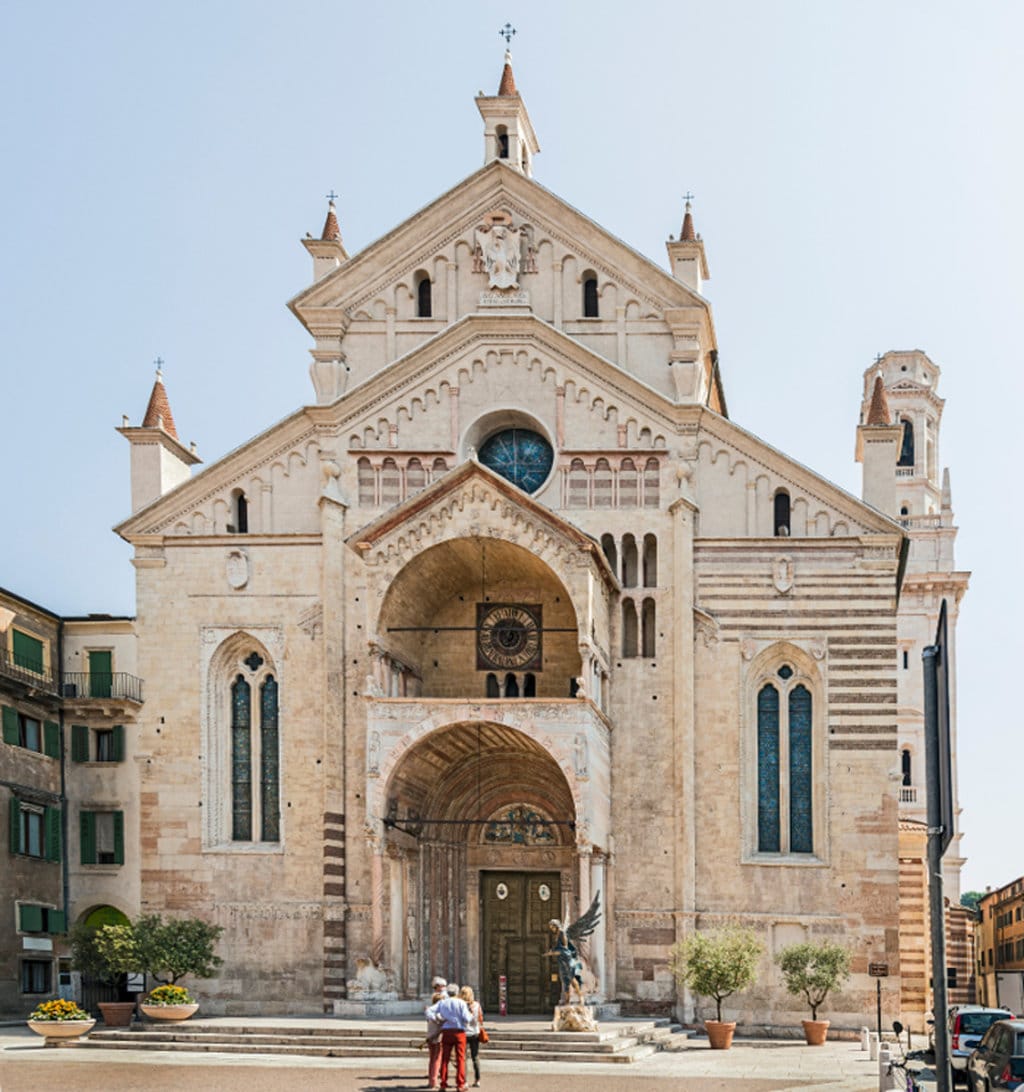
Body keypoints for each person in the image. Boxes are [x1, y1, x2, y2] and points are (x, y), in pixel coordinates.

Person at [426, 981, 472, 1092]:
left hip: (446, 1031)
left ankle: (443, 1083)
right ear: (457, 992)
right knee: (460, 1058)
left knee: (445, 1059)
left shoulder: (442, 1003)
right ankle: (460, 1084)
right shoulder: (461, 1003)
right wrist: (469, 1015)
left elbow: (428, 1011)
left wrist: (437, 1018)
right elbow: (467, 1018)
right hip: (459, 1032)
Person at [459, 984, 484, 1088]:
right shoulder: (477, 1005)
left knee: (463, 1058)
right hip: (475, 1033)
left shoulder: (460, 1005)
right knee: (475, 1056)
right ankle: (477, 1079)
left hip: (463, 1033)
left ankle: (464, 1081)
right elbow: (481, 1018)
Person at [425, 978, 447, 1089]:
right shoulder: (438, 1014)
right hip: (437, 1038)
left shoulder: (429, 1012)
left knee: (432, 1059)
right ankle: (434, 1081)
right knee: (437, 1058)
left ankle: (431, 1079)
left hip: (430, 1037)